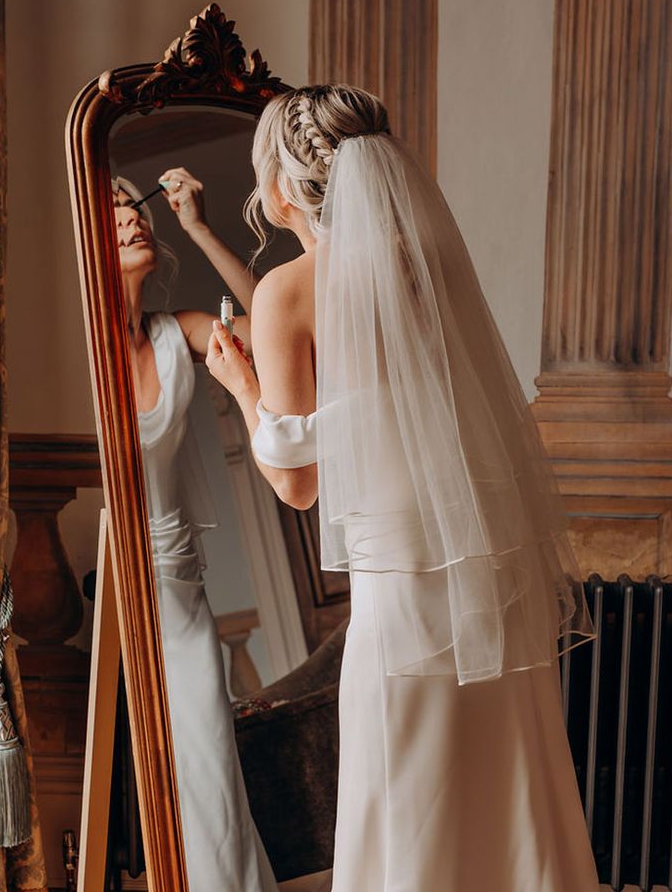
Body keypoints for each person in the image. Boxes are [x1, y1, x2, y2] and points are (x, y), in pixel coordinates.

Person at [205, 85, 600, 891]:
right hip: (486, 578)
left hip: (400, 595)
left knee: (407, 788)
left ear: (285, 187)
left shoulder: (287, 289)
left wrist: (239, 385)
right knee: (508, 785)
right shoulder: (434, 266)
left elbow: (296, 484)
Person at [114, 172, 277, 892]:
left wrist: (202, 228)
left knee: (213, 783)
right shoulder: (78, 354)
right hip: (113, 603)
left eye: (133, 205)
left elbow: (271, 329)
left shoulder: (177, 334)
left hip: (182, 596)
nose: (131, 217)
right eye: (111, 209)